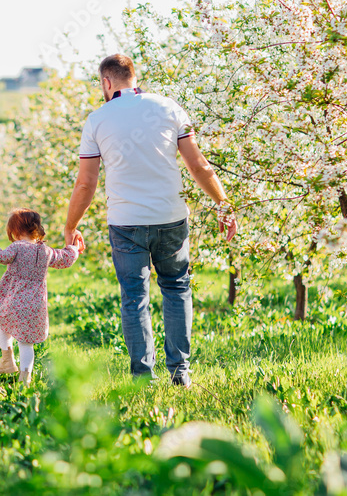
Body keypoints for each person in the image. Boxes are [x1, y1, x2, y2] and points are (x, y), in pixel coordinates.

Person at [63, 54, 237, 387]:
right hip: (170, 218)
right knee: (176, 288)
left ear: (106, 83)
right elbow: (198, 165)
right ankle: (180, 372)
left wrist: (71, 226)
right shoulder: (170, 108)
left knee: (134, 296)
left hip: (126, 222)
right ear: (134, 76)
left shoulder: (97, 119)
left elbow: (86, 183)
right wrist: (222, 203)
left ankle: (143, 377)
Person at [0, 208, 81, 385]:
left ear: (14, 231)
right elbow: (65, 258)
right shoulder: (46, 251)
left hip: (13, 299)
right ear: (36, 229)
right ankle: (25, 378)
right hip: (35, 305)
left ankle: (7, 359)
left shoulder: (17, 247)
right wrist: (74, 247)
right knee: (26, 343)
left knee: (1, 321)